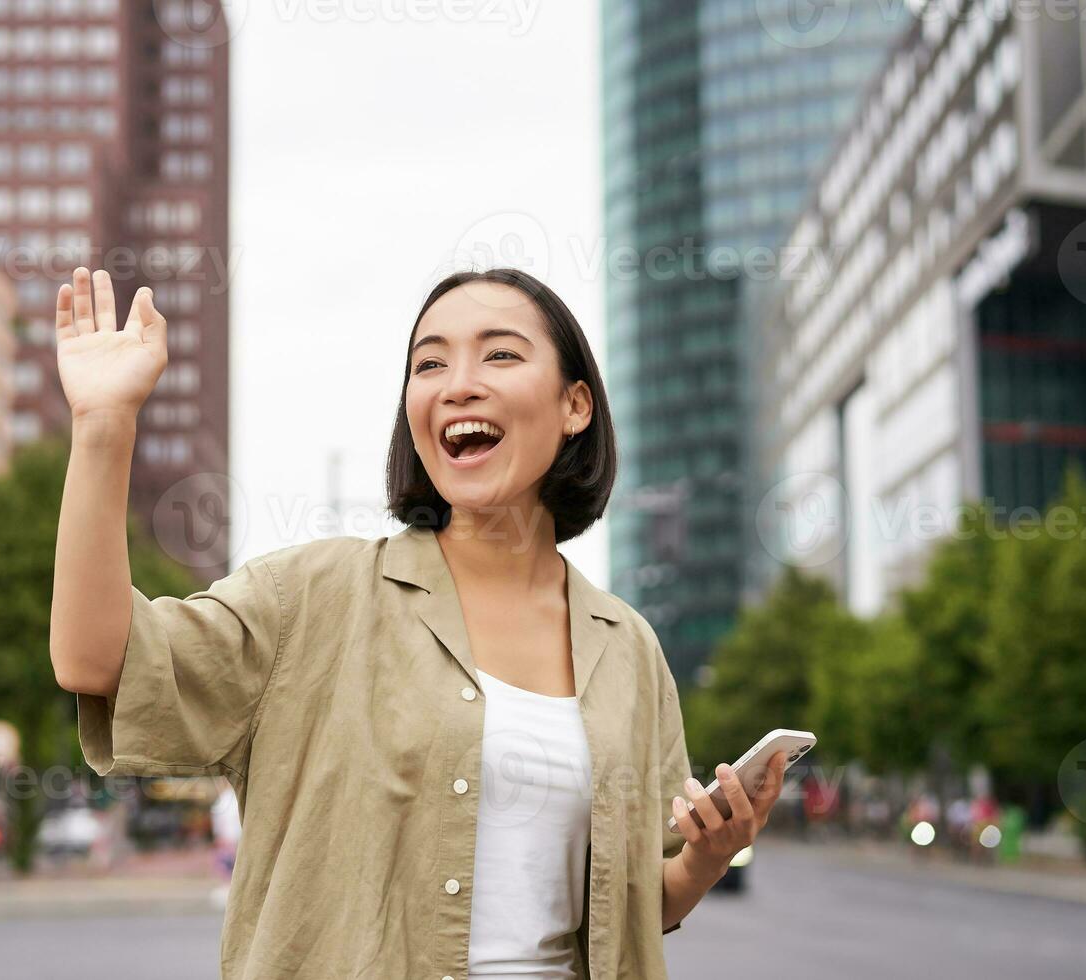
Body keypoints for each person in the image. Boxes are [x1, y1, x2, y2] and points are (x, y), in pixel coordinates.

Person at [50, 266, 782, 978]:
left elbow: (631, 911)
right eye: (429, 363)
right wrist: (104, 423)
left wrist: (707, 857)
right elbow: (95, 662)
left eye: (500, 353)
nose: (458, 382)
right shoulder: (312, 598)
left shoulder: (628, 648)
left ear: (575, 406)